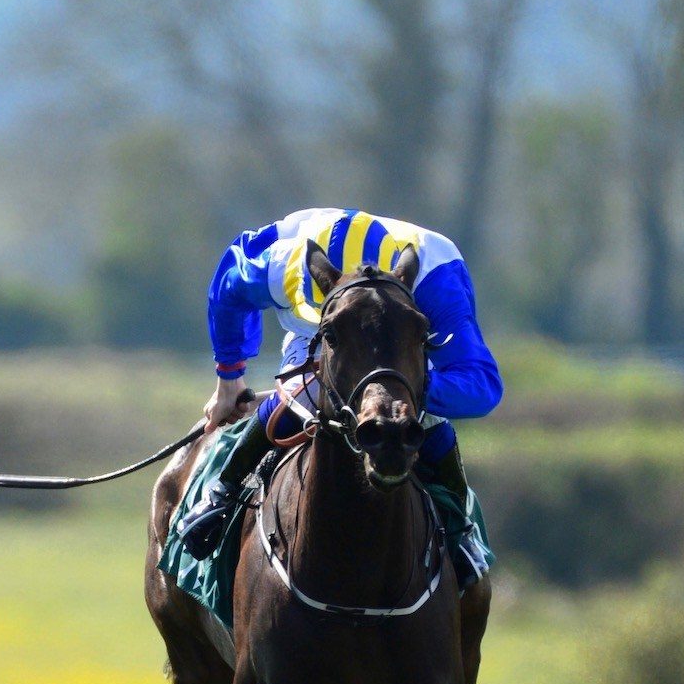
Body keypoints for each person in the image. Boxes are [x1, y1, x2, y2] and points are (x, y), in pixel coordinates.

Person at [173, 208, 503, 581]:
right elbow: (228, 290)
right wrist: (229, 380)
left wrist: (401, 392)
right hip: (324, 332)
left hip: (397, 343)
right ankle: (221, 493)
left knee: (426, 419)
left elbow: (482, 387)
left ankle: (459, 530)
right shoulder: (280, 263)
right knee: (303, 392)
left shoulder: (436, 278)